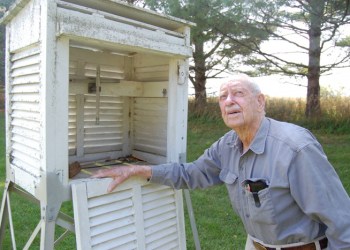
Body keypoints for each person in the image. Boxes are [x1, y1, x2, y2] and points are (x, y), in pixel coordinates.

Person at [92, 74, 350, 250]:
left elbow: (341, 220)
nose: (229, 101)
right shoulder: (227, 145)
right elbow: (191, 173)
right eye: (223, 97)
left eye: (238, 93)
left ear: (260, 102)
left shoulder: (295, 148)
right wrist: (139, 169)